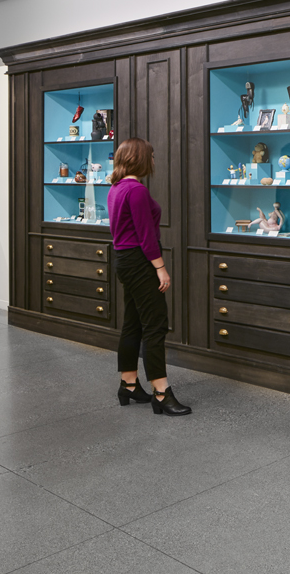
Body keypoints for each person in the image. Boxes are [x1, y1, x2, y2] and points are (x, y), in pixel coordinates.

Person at [107, 137, 191, 416]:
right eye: (151, 156)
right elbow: (146, 236)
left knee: (133, 322)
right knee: (155, 325)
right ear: (141, 159)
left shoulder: (116, 188)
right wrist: (160, 267)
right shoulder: (137, 190)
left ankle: (129, 384)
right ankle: (161, 391)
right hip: (140, 261)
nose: (154, 161)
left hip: (123, 259)